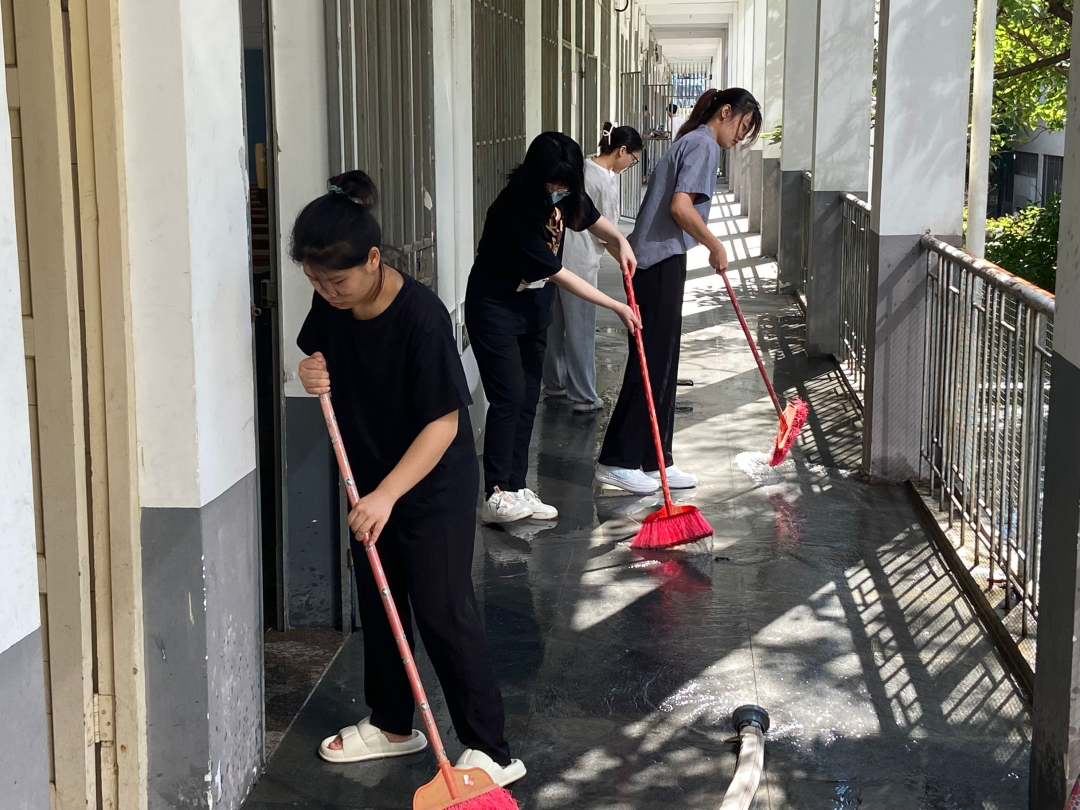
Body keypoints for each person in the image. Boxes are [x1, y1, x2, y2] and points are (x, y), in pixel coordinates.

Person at [294, 171, 525, 788]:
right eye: (315, 281)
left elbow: (444, 425)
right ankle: (393, 724)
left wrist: (389, 495)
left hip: (429, 484)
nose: (327, 292)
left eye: (337, 281)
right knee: (380, 599)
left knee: (442, 608)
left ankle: (491, 748)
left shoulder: (421, 317)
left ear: (373, 259)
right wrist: (309, 369)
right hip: (369, 478)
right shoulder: (333, 299)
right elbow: (317, 352)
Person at [465, 132, 641, 525]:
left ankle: (517, 486)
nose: (559, 191)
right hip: (495, 310)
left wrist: (621, 241)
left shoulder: (568, 195)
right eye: (552, 184)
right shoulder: (514, 208)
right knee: (509, 397)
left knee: (529, 397)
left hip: (532, 310)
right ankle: (496, 494)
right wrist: (615, 304)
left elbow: (593, 220)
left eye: (565, 184)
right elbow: (558, 273)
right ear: (535, 176)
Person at [595, 88, 762, 495]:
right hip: (656, 264)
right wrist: (715, 244)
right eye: (743, 126)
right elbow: (681, 207)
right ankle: (618, 460)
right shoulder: (703, 145)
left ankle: (656, 460)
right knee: (651, 364)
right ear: (726, 112)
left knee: (664, 364)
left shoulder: (695, 141)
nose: (741, 136)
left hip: (661, 261)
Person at [543, 123, 644, 413]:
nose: (629, 165)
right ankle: (583, 395)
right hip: (581, 262)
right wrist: (623, 257)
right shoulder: (605, 181)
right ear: (622, 151)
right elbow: (607, 233)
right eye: (633, 159)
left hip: (555, 256)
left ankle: (555, 383)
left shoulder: (583, 166)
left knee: (554, 326)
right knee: (581, 330)